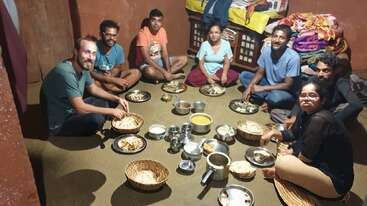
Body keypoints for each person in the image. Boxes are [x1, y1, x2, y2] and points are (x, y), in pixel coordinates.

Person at [261, 81, 354, 199]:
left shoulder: (320, 119)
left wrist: (293, 151)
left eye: (312, 95)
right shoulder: (304, 112)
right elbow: (293, 134)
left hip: (334, 180)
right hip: (318, 160)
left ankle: (286, 176)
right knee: (286, 154)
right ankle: (289, 175)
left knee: (282, 162)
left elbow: (306, 157)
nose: (306, 99)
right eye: (303, 95)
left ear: (322, 100)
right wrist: (272, 133)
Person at [41, 35, 129, 136]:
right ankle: (101, 117)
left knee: (110, 100)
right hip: (61, 121)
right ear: (76, 52)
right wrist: (110, 111)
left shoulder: (83, 65)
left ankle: (105, 112)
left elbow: (93, 89)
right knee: (96, 119)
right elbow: (80, 108)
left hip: (73, 108)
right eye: (87, 52)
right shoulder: (65, 72)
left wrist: (116, 99)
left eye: (94, 53)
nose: (91, 57)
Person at [278, 52, 363, 128]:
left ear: (335, 71)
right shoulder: (313, 80)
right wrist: (294, 116)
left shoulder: (341, 82)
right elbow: (300, 100)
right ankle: (306, 125)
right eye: (318, 70)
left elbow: (356, 105)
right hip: (316, 112)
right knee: (276, 113)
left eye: (326, 70)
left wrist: (331, 122)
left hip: (331, 115)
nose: (320, 74)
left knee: (344, 107)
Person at [240, 24, 300, 112]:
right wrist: (249, 88)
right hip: (269, 85)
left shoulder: (293, 58)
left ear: (288, 41)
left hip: (285, 91)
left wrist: (262, 88)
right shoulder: (266, 50)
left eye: (282, 38)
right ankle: (268, 100)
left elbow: (287, 85)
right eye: (275, 36)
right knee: (244, 76)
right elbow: (260, 73)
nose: (277, 40)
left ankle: (269, 100)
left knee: (275, 96)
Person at [136, 8, 187, 81]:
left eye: (159, 21)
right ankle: (170, 76)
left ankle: (162, 77)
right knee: (149, 72)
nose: (156, 23)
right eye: (153, 20)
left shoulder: (162, 31)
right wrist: (164, 72)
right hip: (146, 63)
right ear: (149, 21)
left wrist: (168, 70)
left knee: (184, 59)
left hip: (159, 60)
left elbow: (165, 53)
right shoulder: (142, 33)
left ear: (162, 22)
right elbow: (146, 59)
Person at [91, 20, 141, 94]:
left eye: (114, 35)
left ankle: (109, 92)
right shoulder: (93, 48)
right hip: (99, 78)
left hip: (112, 77)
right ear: (101, 34)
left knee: (137, 73)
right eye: (108, 35)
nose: (111, 38)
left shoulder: (118, 49)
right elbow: (90, 72)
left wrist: (112, 75)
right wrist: (110, 80)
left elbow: (117, 68)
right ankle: (114, 91)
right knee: (91, 82)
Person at [185, 23, 239, 87]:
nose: (213, 35)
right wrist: (208, 76)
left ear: (221, 34)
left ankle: (212, 80)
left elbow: (226, 63)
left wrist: (224, 74)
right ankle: (216, 81)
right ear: (209, 34)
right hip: (205, 71)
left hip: (219, 71)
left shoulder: (226, 44)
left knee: (235, 75)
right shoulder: (204, 44)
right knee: (190, 78)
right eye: (211, 33)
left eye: (216, 32)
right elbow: (201, 64)